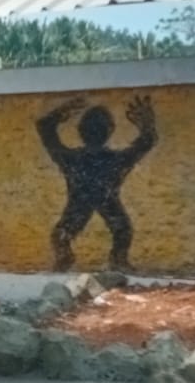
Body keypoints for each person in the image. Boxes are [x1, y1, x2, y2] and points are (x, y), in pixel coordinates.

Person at [37, 94, 158, 271]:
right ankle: (118, 260)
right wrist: (146, 122)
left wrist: (61, 113)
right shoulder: (116, 160)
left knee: (62, 234)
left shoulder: (71, 159)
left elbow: (44, 127)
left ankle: (67, 257)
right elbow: (147, 141)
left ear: (80, 130)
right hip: (105, 199)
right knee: (123, 231)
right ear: (110, 131)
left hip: (81, 200)